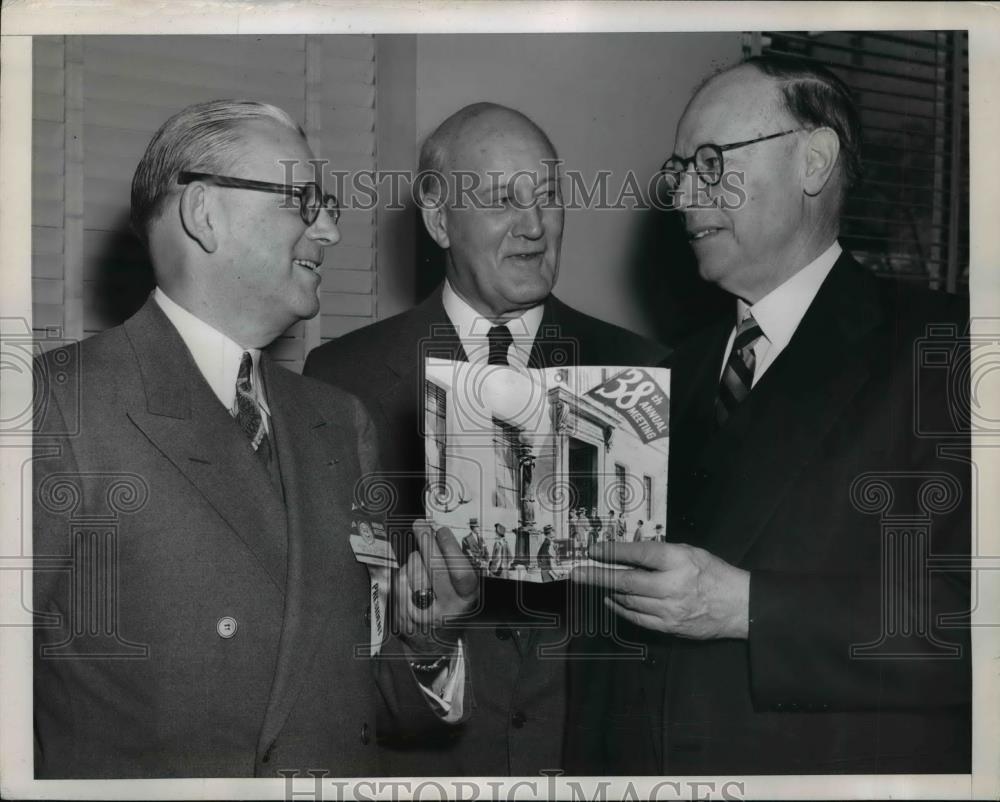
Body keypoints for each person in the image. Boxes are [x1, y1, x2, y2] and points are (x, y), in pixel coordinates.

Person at [32, 100, 478, 779]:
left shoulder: (338, 420)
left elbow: (343, 703)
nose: (328, 229)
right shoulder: (61, 405)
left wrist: (423, 637)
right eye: (304, 200)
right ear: (204, 213)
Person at [569, 55, 970, 775]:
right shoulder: (668, 375)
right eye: (679, 168)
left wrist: (748, 608)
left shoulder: (944, 347)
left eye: (712, 161)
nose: (685, 192)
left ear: (814, 162)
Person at [303, 102, 668, 775]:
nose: (534, 225)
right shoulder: (341, 379)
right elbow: (329, 631)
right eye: (503, 198)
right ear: (440, 220)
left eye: (549, 196)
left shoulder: (640, 373)